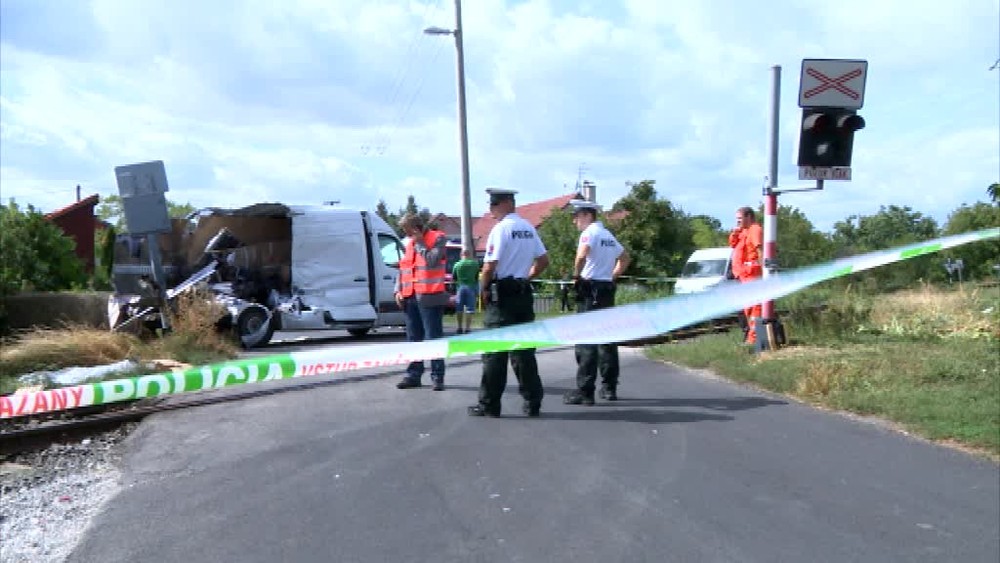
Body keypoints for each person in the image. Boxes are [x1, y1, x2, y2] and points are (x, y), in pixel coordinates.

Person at [468, 187, 549, 418]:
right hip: (522, 295)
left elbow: (489, 266)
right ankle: (533, 402)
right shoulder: (528, 228)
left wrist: (483, 289)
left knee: (495, 353)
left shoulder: (500, 229)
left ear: (504, 203)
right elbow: (543, 260)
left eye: (493, 205)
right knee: (524, 351)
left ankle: (489, 404)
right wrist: (527, 277)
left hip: (501, 296)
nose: (490, 209)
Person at [562, 200, 631, 405]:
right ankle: (609, 388)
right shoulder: (608, 235)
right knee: (608, 340)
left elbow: (582, 255)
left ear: (586, 215)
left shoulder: (589, 233)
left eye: (576, 217)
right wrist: (612, 276)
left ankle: (585, 391)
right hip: (606, 290)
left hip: (590, 290)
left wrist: (576, 277)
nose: (575, 221)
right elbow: (625, 258)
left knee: (586, 341)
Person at [394, 213, 450, 391]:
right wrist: (397, 290)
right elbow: (403, 268)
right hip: (410, 297)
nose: (407, 235)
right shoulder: (409, 243)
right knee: (413, 339)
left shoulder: (438, 238)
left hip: (430, 296)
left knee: (433, 338)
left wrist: (420, 243)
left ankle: (437, 376)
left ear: (416, 228)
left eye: (408, 231)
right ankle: (413, 375)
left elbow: (432, 261)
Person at [728, 206, 763, 344]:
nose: (738, 222)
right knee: (745, 309)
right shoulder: (743, 231)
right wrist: (736, 231)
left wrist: (764, 271)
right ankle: (750, 337)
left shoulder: (754, 230)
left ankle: (753, 340)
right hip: (742, 276)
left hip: (751, 276)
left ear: (749, 217)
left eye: (740, 219)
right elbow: (732, 244)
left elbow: (760, 250)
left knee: (753, 308)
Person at [452, 249, 480, 334]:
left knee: (459, 308)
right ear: (469, 254)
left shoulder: (457, 265)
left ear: (461, 255)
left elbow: (454, 277)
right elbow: (476, 277)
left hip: (460, 287)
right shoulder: (475, 264)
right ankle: (467, 328)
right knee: (470, 309)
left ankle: (459, 327)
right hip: (471, 287)